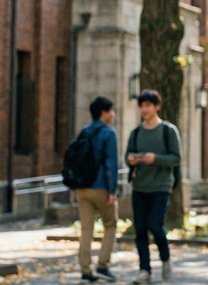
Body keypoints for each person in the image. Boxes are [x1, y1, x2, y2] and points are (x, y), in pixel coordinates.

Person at [126, 90, 182, 284]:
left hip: (161, 186)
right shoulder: (135, 133)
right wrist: (132, 161)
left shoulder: (168, 131)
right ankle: (144, 270)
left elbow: (176, 158)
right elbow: (128, 156)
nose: (144, 109)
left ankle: (165, 259)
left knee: (155, 225)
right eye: (142, 105)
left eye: (148, 105)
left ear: (157, 107)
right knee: (140, 229)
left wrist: (156, 159)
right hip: (140, 186)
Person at [76, 97, 119, 282]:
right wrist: (112, 190)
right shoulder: (109, 133)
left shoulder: (83, 131)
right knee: (110, 224)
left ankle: (85, 270)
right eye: (111, 110)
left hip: (82, 187)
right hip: (101, 186)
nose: (113, 114)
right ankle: (103, 265)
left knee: (86, 230)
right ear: (104, 112)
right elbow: (111, 163)